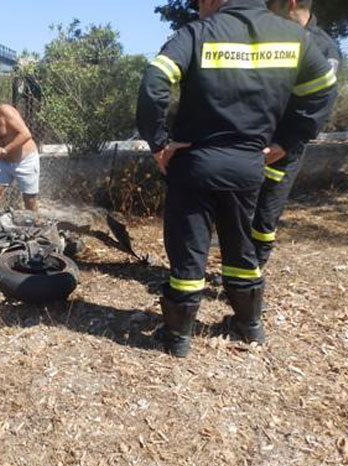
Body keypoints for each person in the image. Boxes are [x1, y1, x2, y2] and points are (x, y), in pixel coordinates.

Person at [136, 0, 337, 357]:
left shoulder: (197, 33)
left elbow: (154, 81)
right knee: (241, 244)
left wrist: (159, 143)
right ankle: (249, 325)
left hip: (196, 165)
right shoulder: (295, 38)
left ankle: (178, 337)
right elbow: (324, 89)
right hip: (248, 167)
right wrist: (288, 140)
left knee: (188, 250)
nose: (199, 7)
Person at [251, 0, 341, 267]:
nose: (266, 11)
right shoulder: (271, 36)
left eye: (270, 5)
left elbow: (320, 102)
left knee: (265, 214)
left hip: (284, 147)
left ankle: (252, 272)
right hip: (255, 137)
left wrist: (286, 142)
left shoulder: (324, 48)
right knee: (240, 208)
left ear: (289, 3)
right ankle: (238, 265)